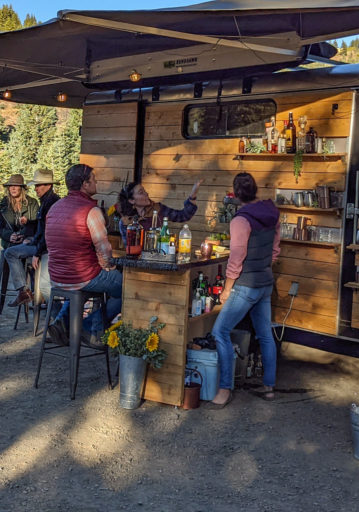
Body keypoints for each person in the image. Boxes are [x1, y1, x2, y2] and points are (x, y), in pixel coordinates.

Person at [208, 173, 281, 408]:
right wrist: (264, 267)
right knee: (265, 334)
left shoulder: (241, 220)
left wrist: (226, 289)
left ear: (236, 194)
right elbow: (275, 250)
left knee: (220, 331)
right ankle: (269, 387)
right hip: (265, 282)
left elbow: (236, 258)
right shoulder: (272, 212)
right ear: (255, 189)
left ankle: (224, 389)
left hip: (246, 285)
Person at [45, 164, 122, 348]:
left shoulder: (55, 207)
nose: (96, 182)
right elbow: (103, 248)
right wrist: (108, 266)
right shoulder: (91, 211)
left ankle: (62, 323)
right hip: (82, 277)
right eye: (93, 180)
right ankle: (88, 327)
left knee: (82, 287)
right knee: (127, 287)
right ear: (85, 184)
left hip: (56, 276)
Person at [0, 173, 40, 306]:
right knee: (11, 252)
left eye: (16, 186)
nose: (13, 188)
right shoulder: (4, 204)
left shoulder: (32, 203)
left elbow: (37, 225)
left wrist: (24, 234)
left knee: (32, 262)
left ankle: (33, 294)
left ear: (22, 188)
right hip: (10, 243)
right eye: (10, 186)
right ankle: (25, 292)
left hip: (28, 241)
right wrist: (9, 235)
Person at [116, 179, 202, 241]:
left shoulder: (158, 209)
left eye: (145, 191)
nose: (146, 194)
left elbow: (183, 216)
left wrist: (193, 195)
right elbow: (129, 247)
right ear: (131, 200)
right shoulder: (126, 221)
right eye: (141, 192)